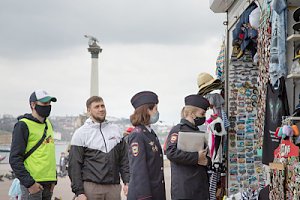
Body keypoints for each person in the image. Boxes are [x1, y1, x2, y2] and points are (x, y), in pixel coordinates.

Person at [68, 96, 129, 200]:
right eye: (97, 107)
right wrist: (79, 192)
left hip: (113, 187)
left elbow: (124, 160)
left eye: (102, 106)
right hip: (91, 188)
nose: (101, 109)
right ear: (88, 111)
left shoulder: (116, 130)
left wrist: (127, 182)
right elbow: (74, 165)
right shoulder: (81, 133)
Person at [9, 89, 57, 200]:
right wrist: (30, 184)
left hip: (48, 184)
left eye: (49, 103)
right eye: (44, 103)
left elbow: (49, 152)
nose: (48, 106)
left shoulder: (48, 124)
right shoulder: (23, 125)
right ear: (33, 104)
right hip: (33, 184)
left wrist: (54, 179)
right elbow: (15, 158)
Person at [166, 94, 210, 200]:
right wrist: (196, 157)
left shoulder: (199, 132)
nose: (204, 117)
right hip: (184, 188)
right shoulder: (178, 130)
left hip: (200, 187)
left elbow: (205, 155)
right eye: (202, 113)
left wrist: (207, 160)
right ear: (191, 113)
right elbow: (171, 152)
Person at [127, 91, 166, 200]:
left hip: (155, 192)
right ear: (147, 110)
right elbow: (139, 170)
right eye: (155, 109)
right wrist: (145, 197)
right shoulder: (138, 135)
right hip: (144, 195)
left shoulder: (149, 133)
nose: (157, 112)